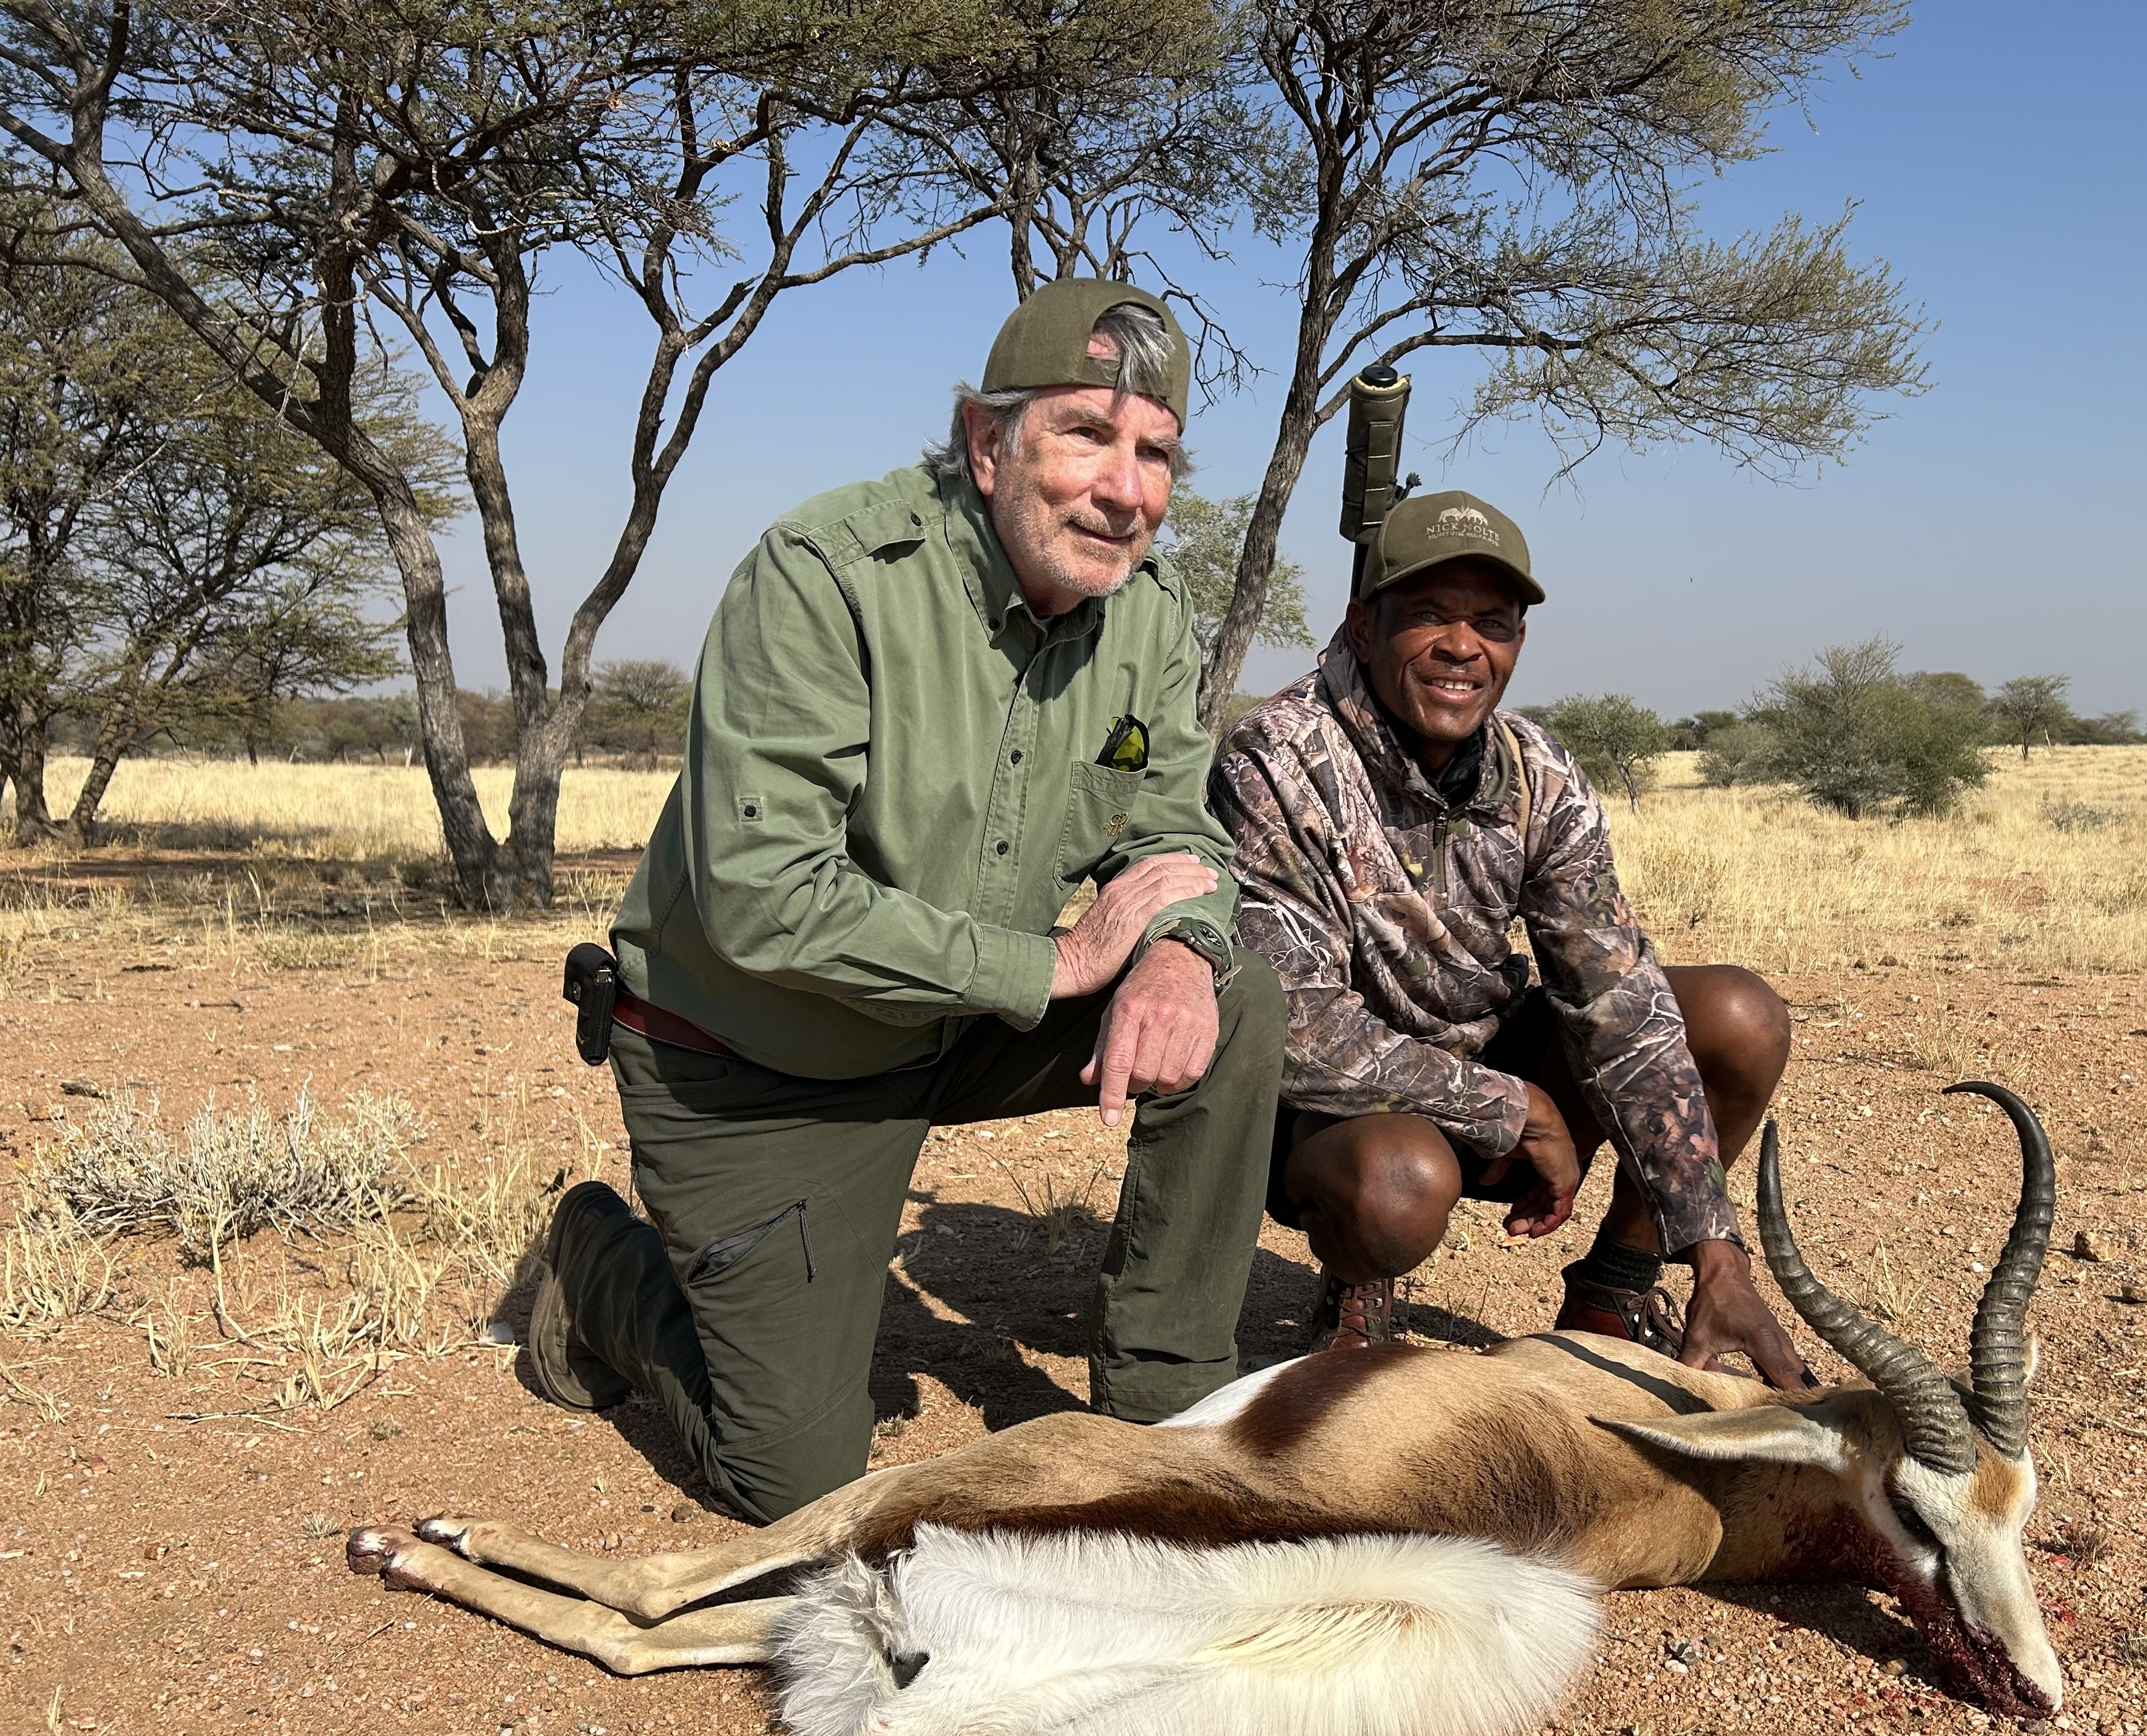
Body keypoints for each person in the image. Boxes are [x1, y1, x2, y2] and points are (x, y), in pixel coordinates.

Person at [529, 279, 1283, 1523]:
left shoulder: (1145, 616)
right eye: (1086, 435)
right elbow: (764, 900)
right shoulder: (825, 572)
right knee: (800, 1490)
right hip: (759, 1056)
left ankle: (1166, 1414)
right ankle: (601, 1267)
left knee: (1234, 992)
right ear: (988, 444)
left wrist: (1175, 952)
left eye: (1155, 453)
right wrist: (1054, 967)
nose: (1128, 489)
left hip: (951, 1029)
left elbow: (1178, 833)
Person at [1210, 489, 1814, 1387]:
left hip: (1488, 1053)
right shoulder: (1276, 757)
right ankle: (1355, 1288)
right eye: (1429, 617)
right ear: (1363, 626)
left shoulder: (1537, 770)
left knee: (1737, 1016)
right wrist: (1511, 1108)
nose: (1464, 647)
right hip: (1339, 1115)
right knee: (1395, 1187)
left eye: (1493, 623)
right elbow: (1293, 1027)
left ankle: (1614, 1289)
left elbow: (1619, 1005)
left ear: (1519, 643)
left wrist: (1716, 1247)